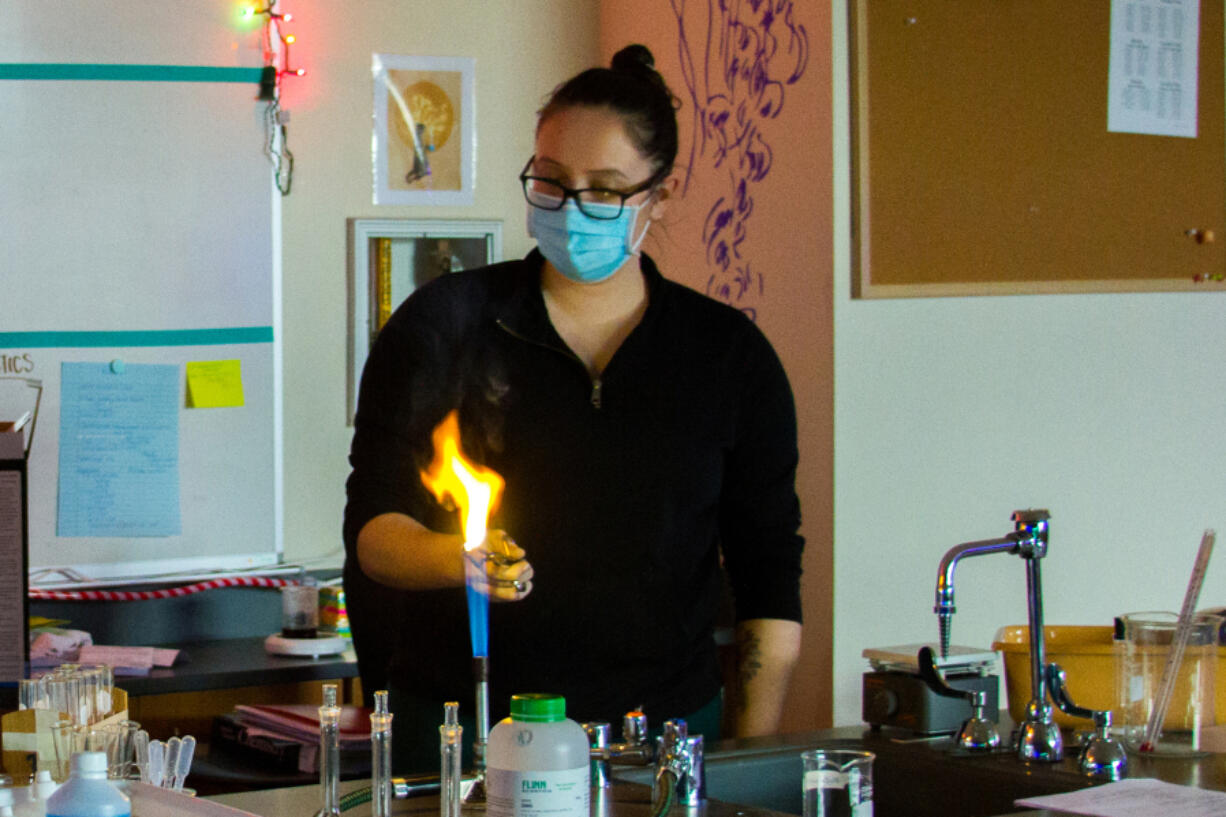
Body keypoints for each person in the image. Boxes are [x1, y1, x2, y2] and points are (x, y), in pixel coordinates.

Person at [343, 43, 804, 774]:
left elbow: (769, 579)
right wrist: (456, 557)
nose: (571, 208)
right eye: (551, 182)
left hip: (662, 738)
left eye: (605, 190)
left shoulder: (725, 356)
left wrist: (746, 759)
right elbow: (374, 532)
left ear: (660, 193)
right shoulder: (447, 327)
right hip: (468, 733)